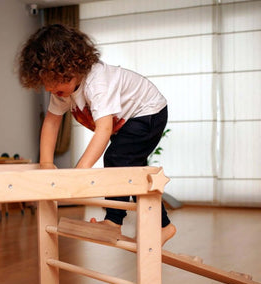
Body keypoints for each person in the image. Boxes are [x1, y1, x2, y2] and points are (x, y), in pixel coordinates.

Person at [17, 24, 176, 245]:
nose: (49, 89)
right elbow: (52, 122)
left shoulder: (97, 83)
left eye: (55, 81)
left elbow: (104, 129)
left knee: (117, 159)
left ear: (73, 67)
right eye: (45, 83)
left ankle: (113, 221)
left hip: (148, 111)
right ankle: (164, 226)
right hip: (129, 120)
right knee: (134, 169)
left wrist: (79, 172)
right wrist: (46, 164)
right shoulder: (62, 90)